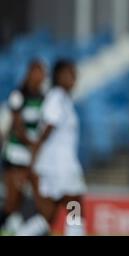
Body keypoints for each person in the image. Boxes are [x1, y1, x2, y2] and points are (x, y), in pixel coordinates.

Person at [16, 60, 87, 236]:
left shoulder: (61, 98)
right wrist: (32, 161)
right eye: (70, 74)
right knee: (76, 209)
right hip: (61, 167)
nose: (74, 78)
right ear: (59, 76)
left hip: (53, 166)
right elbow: (46, 130)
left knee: (47, 216)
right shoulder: (57, 97)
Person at [0, 60, 46, 233]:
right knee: (12, 202)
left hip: (31, 155)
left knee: (31, 198)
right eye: (38, 72)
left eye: (43, 72)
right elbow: (17, 126)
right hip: (16, 153)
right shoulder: (18, 95)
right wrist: (32, 143)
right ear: (30, 74)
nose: (41, 76)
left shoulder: (43, 97)